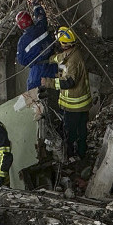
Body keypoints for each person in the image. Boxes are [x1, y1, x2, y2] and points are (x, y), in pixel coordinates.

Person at [43, 26, 91, 161]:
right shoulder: (72, 52)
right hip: (81, 105)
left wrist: (49, 82)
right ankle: (81, 153)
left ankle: (71, 157)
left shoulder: (73, 61)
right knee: (81, 131)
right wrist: (50, 59)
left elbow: (69, 82)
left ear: (64, 44)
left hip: (74, 106)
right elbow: (62, 57)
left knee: (71, 134)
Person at [16, 10, 57, 91]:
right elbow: (41, 14)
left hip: (38, 70)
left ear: (20, 26)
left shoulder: (23, 41)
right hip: (53, 64)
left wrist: (32, 61)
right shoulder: (41, 25)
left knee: (33, 92)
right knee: (55, 86)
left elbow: (22, 61)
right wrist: (35, 5)